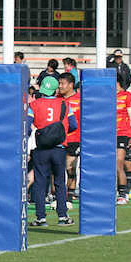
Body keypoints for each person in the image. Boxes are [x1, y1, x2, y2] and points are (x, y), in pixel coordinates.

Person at [27, 76, 76, 227]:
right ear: (55, 89)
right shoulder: (64, 104)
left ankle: (41, 217)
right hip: (59, 148)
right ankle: (62, 216)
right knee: (60, 182)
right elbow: (73, 124)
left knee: (41, 183)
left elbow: (28, 125)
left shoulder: (34, 104)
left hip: (41, 148)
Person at [114, 75, 131, 205]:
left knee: (119, 164)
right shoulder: (108, 96)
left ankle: (123, 193)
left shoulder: (127, 96)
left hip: (122, 134)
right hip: (109, 134)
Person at [58, 73, 81, 204]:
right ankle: (55, 196)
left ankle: (69, 195)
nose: (60, 86)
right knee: (57, 169)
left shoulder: (80, 100)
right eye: (59, 83)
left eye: (62, 83)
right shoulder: (57, 99)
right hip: (58, 139)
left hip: (74, 139)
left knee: (70, 168)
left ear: (71, 85)